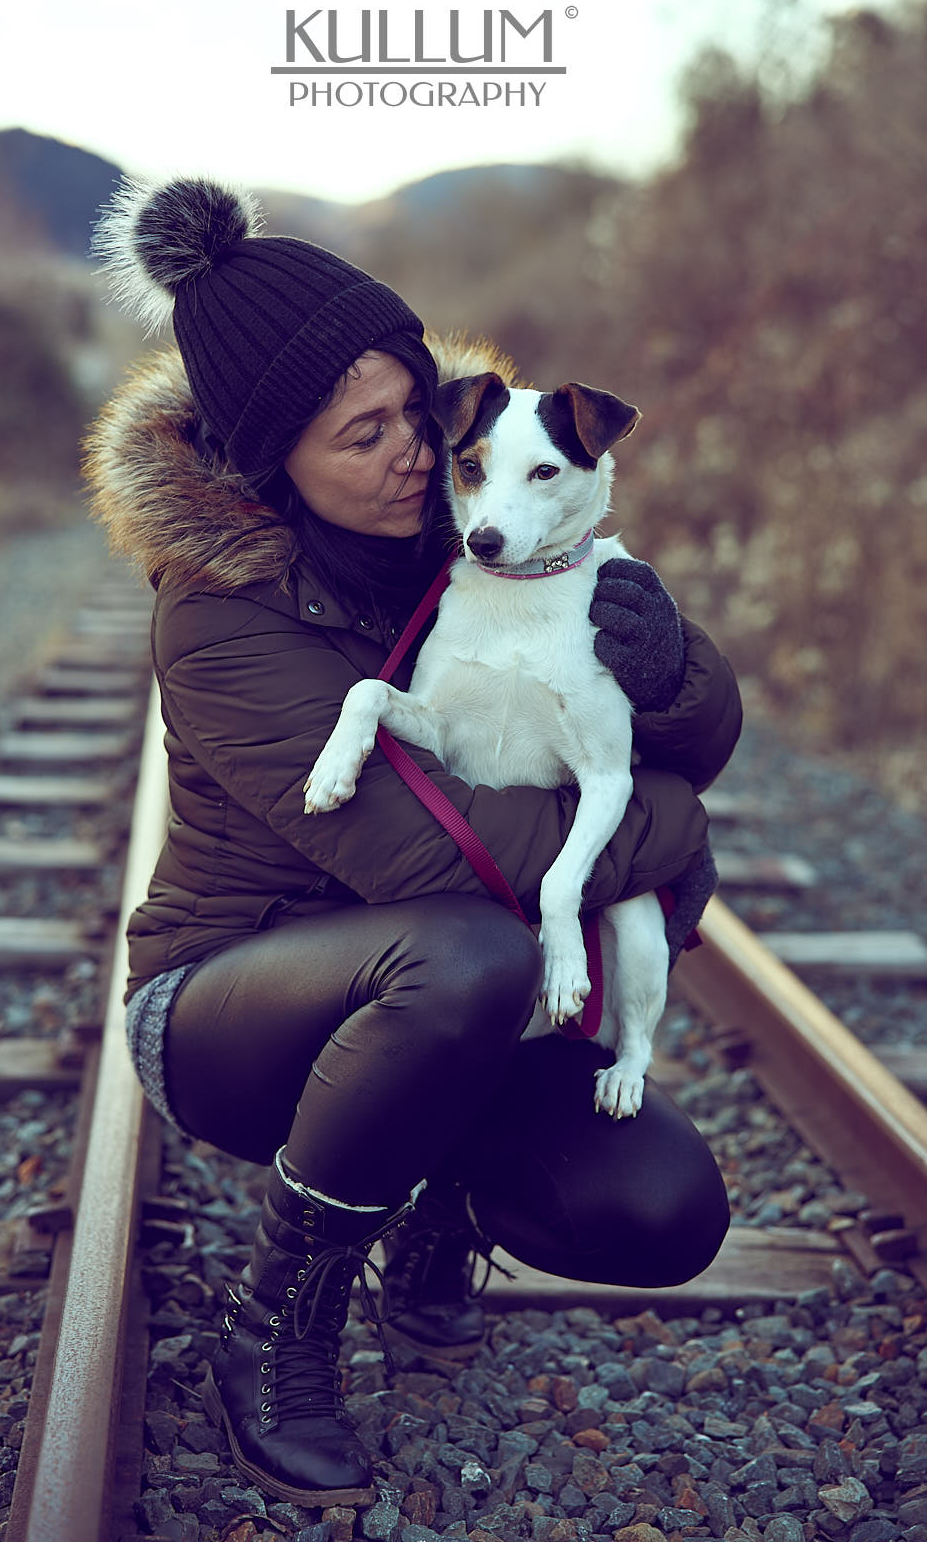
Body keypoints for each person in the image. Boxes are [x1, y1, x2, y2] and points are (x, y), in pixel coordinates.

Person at [85, 175, 742, 1508]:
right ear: (275, 464)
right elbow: (437, 861)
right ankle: (275, 1331)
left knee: (666, 1205)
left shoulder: (493, 508)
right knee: (465, 952)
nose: (406, 455)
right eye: (359, 434)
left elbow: (662, 727)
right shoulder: (222, 616)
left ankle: (435, 1209)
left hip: (448, 994)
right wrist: (667, 828)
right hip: (236, 1010)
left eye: (410, 414)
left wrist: (675, 677)